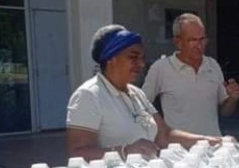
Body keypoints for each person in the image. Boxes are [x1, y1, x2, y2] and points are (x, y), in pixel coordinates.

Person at [66, 25, 225, 161]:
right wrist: (124, 151)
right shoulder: (89, 96)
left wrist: (210, 141)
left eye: (142, 58)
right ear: (110, 59)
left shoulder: (136, 94)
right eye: (133, 57)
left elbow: (165, 135)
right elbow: (77, 153)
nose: (141, 64)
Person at [142, 13, 239, 136]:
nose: (199, 45)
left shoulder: (212, 65)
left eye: (202, 39)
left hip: (212, 147)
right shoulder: (161, 68)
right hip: (179, 150)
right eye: (193, 40)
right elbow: (142, 107)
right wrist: (160, 132)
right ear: (177, 42)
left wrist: (233, 98)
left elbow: (225, 112)